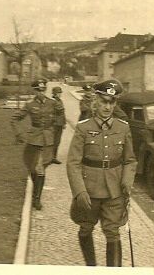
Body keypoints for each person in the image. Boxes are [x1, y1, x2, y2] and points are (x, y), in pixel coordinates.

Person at [67, 79, 137, 267]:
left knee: (113, 232)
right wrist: (79, 191)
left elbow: (130, 160)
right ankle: (91, 267)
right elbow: (73, 162)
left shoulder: (123, 127)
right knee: (85, 229)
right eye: (104, 101)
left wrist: (127, 181)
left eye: (111, 102)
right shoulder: (83, 127)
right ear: (96, 102)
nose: (107, 106)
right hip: (89, 190)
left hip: (114, 190)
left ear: (115, 103)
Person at [10, 79, 58, 210]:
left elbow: (59, 119)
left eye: (43, 89)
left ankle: (37, 199)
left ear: (45, 89)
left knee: (40, 168)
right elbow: (14, 119)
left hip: (47, 140)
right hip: (33, 139)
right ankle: (35, 195)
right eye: (38, 90)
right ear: (34, 91)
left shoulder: (53, 103)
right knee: (32, 168)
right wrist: (19, 134)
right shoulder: (29, 105)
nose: (41, 92)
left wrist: (53, 132)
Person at [51, 86, 66, 164]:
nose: (59, 94)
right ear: (54, 93)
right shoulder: (51, 101)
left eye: (60, 93)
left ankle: (54, 157)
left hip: (60, 124)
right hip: (54, 124)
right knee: (52, 141)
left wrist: (64, 123)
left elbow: (63, 113)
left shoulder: (60, 101)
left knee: (57, 141)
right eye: (58, 93)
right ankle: (49, 157)